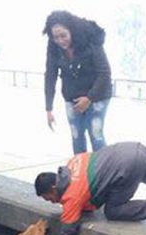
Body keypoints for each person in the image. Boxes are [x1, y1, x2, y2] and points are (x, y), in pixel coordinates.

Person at [43, 10, 112, 155]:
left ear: (72, 31)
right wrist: (48, 108)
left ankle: (104, 174)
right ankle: (80, 174)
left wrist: (89, 99)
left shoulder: (90, 40)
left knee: (96, 135)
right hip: (72, 97)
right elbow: (50, 75)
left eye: (63, 35)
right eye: (56, 37)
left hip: (97, 94)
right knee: (77, 136)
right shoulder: (53, 46)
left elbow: (104, 74)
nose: (60, 41)